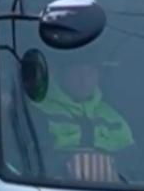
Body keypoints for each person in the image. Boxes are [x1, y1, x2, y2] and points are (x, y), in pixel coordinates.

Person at [32, 52, 134, 182]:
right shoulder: (38, 110)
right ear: (61, 73)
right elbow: (32, 161)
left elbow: (133, 164)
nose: (84, 79)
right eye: (77, 71)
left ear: (99, 76)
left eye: (91, 72)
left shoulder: (114, 118)